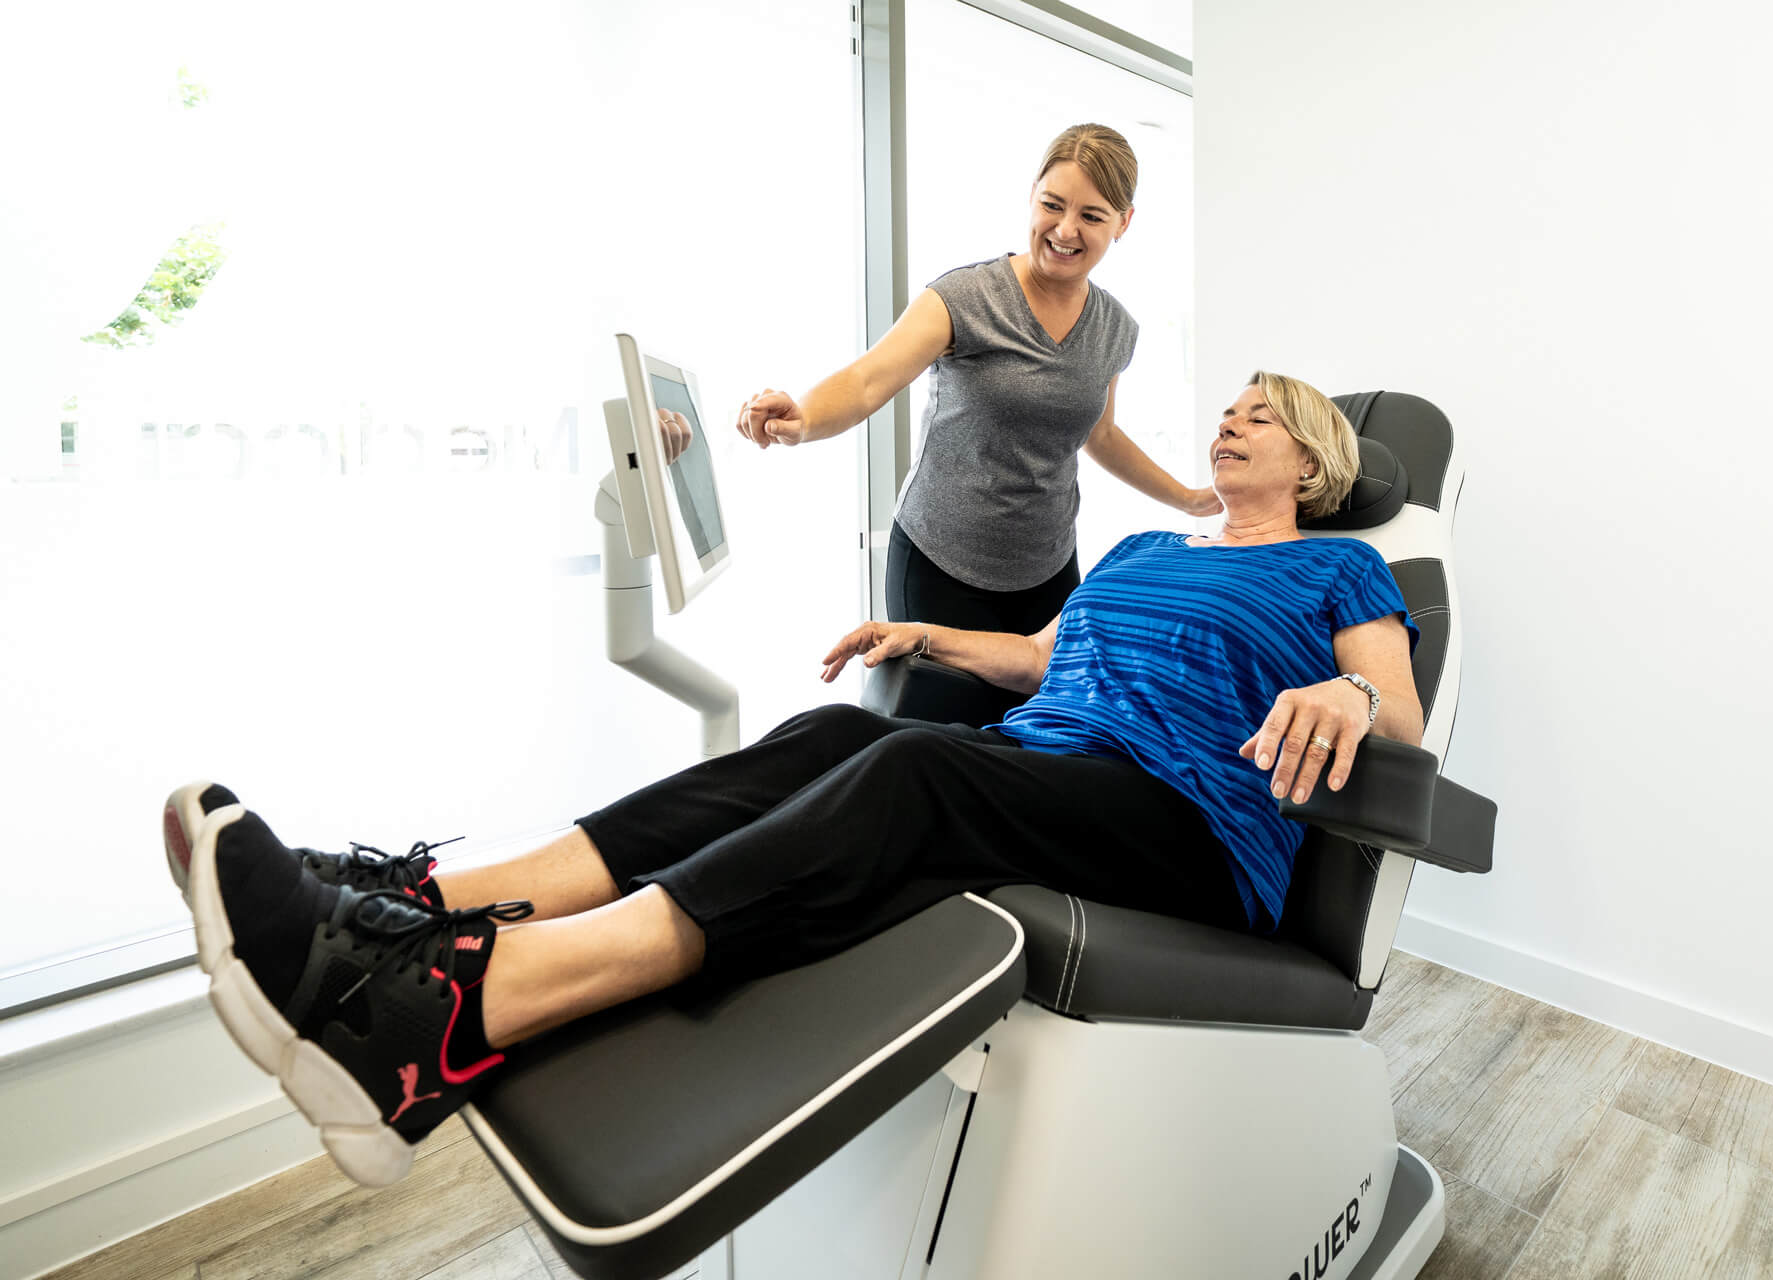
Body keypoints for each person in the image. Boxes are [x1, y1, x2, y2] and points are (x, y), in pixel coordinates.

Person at [164, 371, 1421, 1189]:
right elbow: (1046, 656)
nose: (1230, 419)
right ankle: (436, 894)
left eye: (1259, 413)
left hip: (1190, 825)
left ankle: (450, 1013)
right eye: (1233, 405)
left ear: (1307, 462)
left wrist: (1348, 692)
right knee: (833, 738)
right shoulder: (1149, 543)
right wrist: (921, 636)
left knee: (919, 770)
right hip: (1054, 767)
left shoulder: (1339, 573)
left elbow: (1401, 712)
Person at [734, 123, 1220, 634]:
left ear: (1123, 223)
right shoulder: (966, 297)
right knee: (934, 718)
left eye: (1091, 216)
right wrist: (804, 415)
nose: (1065, 230)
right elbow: (867, 380)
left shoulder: (1116, 328)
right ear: (1032, 195)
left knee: (1036, 715)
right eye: (1053, 205)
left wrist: (1188, 499)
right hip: (939, 564)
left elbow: (1099, 433)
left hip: (1048, 569)